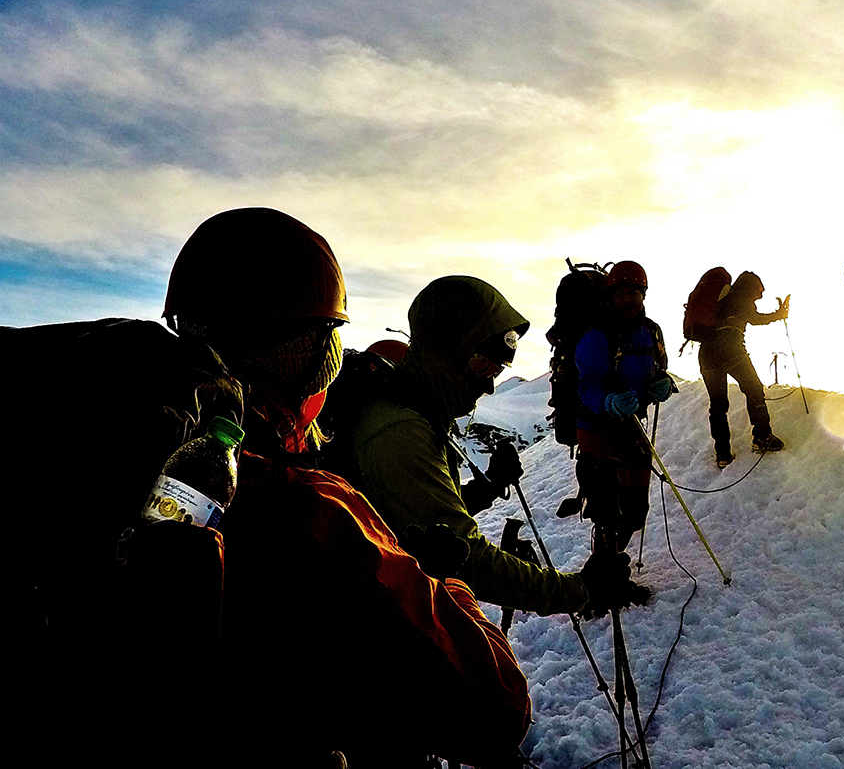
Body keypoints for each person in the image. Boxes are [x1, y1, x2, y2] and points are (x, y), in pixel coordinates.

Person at [8, 207, 531, 768]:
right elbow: (497, 708)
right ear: (307, 358)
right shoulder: (303, 503)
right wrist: (445, 583)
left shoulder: (104, 448)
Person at [345, 275, 628, 617]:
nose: (489, 386)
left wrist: (489, 485)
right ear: (444, 353)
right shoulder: (400, 432)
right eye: (482, 365)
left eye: (497, 370)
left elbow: (425, 520)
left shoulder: (416, 414)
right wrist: (579, 590)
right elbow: (468, 556)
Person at [573, 261, 676, 561]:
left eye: (633, 292)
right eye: (620, 293)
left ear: (643, 294)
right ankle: (604, 571)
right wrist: (607, 402)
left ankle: (611, 561)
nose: (627, 299)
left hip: (633, 427)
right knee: (607, 509)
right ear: (611, 296)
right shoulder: (598, 335)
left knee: (635, 509)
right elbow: (586, 383)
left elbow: (659, 368)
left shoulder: (651, 331)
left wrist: (663, 383)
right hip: (597, 428)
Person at [698, 270, 789, 468]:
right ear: (751, 287)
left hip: (706, 353)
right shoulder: (741, 297)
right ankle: (762, 438)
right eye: (759, 291)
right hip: (730, 349)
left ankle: (722, 454)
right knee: (754, 389)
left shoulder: (722, 300)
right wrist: (779, 315)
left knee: (718, 405)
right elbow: (755, 318)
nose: (760, 295)